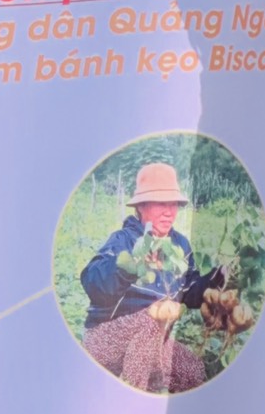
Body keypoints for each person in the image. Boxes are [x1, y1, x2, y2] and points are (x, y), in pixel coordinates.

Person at [79, 157, 224, 394]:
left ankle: (158, 398)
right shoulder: (124, 240)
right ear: (141, 207)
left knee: (193, 371)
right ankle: (131, 397)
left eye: (173, 204)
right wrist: (132, 264)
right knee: (152, 319)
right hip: (104, 341)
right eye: (160, 203)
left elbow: (189, 290)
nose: (169, 212)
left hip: (151, 344)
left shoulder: (179, 245)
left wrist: (216, 280)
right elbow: (92, 283)